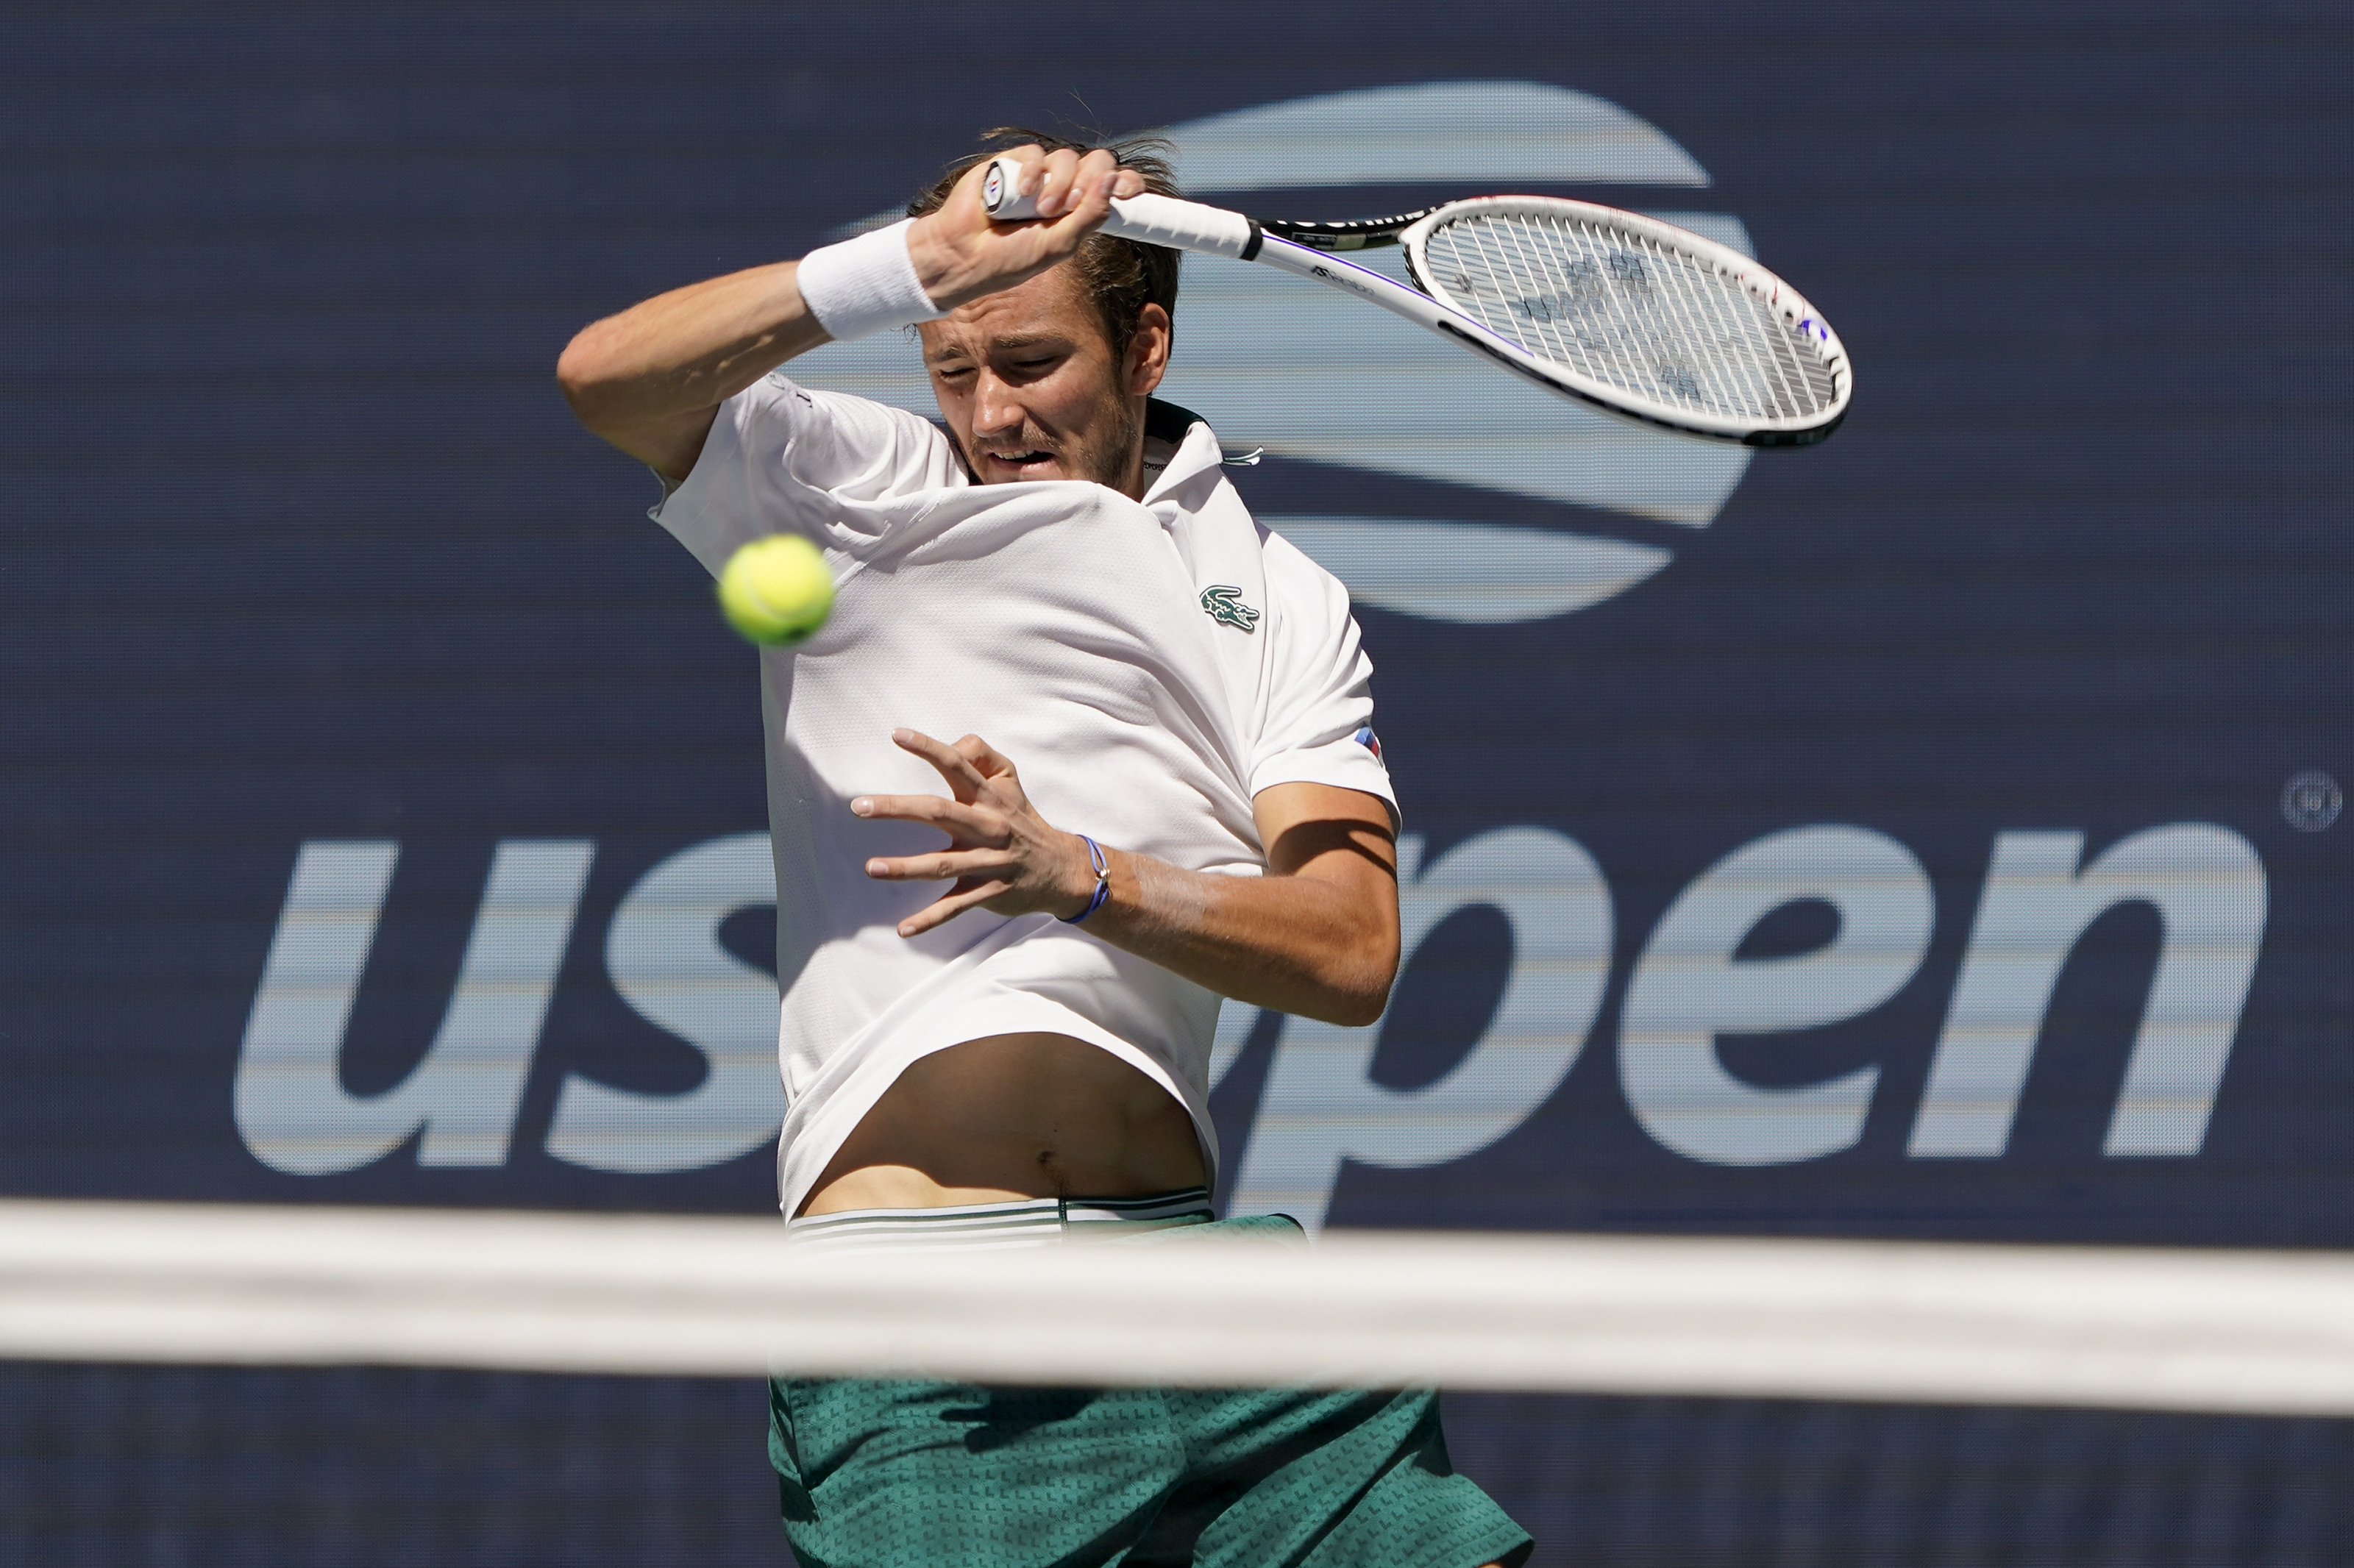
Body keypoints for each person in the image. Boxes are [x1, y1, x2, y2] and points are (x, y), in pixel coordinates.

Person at [557, 130, 1530, 1568]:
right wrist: (918, 264)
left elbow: (1349, 947)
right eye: (952, 366)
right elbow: (607, 379)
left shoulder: (1278, 594)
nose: (990, 412)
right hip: (928, 1335)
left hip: (1200, 1297)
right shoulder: (850, 487)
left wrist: (1084, 878)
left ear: (1147, 346)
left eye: (1030, 364)